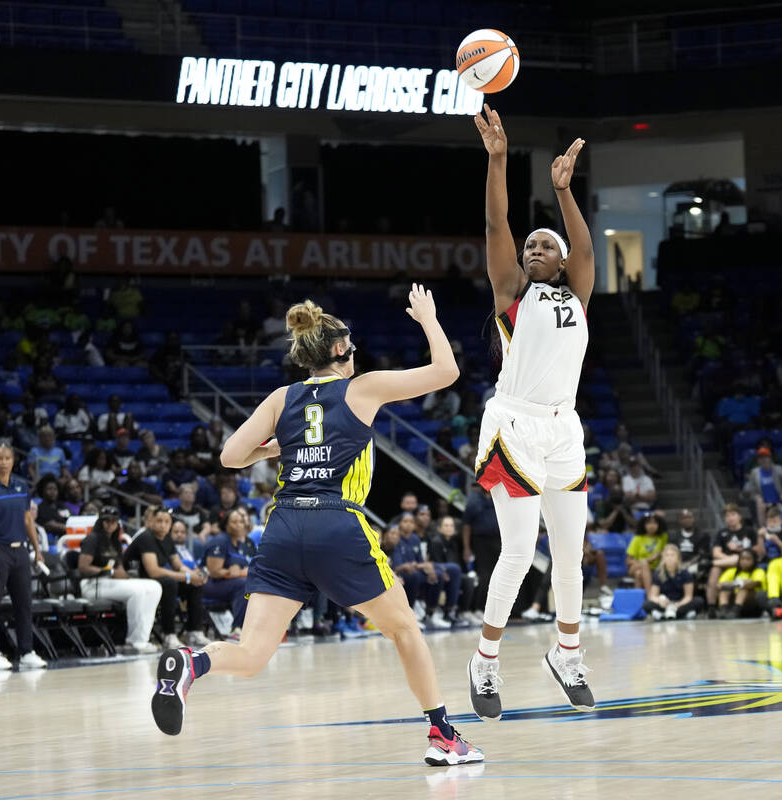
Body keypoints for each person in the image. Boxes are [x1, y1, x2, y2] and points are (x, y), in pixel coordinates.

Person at [149, 288, 483, 767]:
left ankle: (192, 663)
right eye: (352, 346)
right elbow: (446, 372)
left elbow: (229, 457)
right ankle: (443, 735)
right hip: (336, 521)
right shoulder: (361, 388)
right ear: (339, 351)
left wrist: (273, 449)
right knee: (406, 629)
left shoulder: (281, 398)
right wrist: (429, 319)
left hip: (283, 526)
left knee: (252, 654)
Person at [466, 105, 595, 721]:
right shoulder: (511, 293)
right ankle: (485, 662)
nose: (537, 246)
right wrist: (497, 160)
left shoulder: (580, 293)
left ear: (564, 260)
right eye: (532, 243)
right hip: (513, 425)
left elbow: (587, 248)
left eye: (549, 244)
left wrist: (564, 191)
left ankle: (566, 653)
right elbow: (497, 224)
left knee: (570, 552)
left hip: (564, 428)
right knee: (518, 551)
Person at [0, 441, 48, 671]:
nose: (3, 462)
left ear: (13, 461)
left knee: (24, 603)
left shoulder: (21, 486)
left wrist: (38, 550)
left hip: (20, 551)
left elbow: (27, 519)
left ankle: (26, 651)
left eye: (7, 458)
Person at [77, 506, 162, 654]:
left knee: (154, 586)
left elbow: (119, 568)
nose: (110, 524)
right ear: (100, 522)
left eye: (113, 521)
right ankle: (135, 640)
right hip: (92, 584)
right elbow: (83, 567)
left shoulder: (115, 541)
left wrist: (125, 575)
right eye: (106, 521)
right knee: (137, 592)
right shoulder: (92, 539)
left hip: (112, 583)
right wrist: (109, 571)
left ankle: (143, 638)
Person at [124, 506, 210, 651]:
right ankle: (168, 634)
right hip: (135, 580)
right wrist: (186, 576)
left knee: (194, 585)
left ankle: (194, 631)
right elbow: (153, 571)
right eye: (159, 521)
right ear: (151, 522)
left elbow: (177, 564)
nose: (163, 525)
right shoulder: (146, 537)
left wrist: (194, 576)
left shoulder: (167, 538)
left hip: (155, 581)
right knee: (170, 584)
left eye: (166, 521)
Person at [202, 507, 256, 637]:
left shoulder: (242, 543)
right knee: (243, 585)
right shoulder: (220, 541)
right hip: (209, 583)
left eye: (241, 522)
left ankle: (255, 629)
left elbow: (244, 569)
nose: (239, 525)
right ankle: (236, 629)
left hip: (230, 583)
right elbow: (213, 572)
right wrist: (229, 572)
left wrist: (240, 572)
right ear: (226, 524)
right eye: (234, 522)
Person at [707, 503, 763, 613]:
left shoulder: (749, 531)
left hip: (746, 561)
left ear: (739, 516)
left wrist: (738, 551)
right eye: (727, 516)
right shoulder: (722, 533)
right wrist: (729, 558)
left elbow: (758, 552)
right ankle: (711, 607)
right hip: (728, 562)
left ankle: (712, 563)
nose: (730, 518)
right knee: (714, 570)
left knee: (739, 558)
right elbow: (716, 553)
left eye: (733, 514)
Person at [461, 483, 499, 626]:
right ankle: (477, 608)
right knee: (483, 576)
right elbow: (466, 525)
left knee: (496, 576)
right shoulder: (474, 500)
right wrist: (466, 547)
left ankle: (490, 610)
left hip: (497, 541)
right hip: (480, 542)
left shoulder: (497, 497)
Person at [644, 544, 704, 620]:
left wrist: (678, 605)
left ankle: (666, 614)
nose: (670, 558)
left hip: (680, 603)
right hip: (665, 603)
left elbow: (688, 596)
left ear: (677, 558)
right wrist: (660, 601)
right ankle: (679, 614)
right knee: (647, 604)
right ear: (663, 558)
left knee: (699, 601)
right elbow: (653, 596)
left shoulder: (685, 573)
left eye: (672, 555)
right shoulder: (657, 573)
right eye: (667, 555)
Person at [716, 548, 765, 618]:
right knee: (724, 590)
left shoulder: (759, 571)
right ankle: (724, 611)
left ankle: (736, 611)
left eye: (748, 559)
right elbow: (719, 585)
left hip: (751, 605)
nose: (744, 561)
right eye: (742, 559)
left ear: (754, 561)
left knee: (744, 589)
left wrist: (734, 585)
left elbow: (755, 583)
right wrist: (738, 584)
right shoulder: (732, 571)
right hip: (733, 602)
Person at [626, 513, 667, 593]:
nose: (652, 525)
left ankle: (639, 600)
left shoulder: (663, 537)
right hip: (636, 567)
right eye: (649, 523)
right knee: (644, 565)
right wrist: (649, 559)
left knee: (638, 574)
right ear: (643, 525)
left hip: (655, 568)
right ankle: (650, 595)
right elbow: (628, 561)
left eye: (655, 523)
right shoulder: (637, 538)